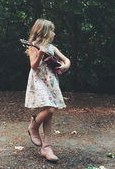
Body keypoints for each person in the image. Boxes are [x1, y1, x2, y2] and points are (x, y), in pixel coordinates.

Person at [24, 19, 71, 163]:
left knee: (49, 112)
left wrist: (65, 66)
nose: (54, 33)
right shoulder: (33, 47)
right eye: (52, 30)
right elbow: (33, 66)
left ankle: (46, 147)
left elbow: (67, 60)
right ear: (43, 32)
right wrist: (39, 55)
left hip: (50, 81)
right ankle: (33, 126)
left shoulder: (52, 47)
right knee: (50, 109)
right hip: (39, 81)